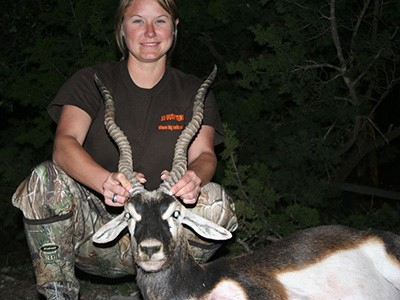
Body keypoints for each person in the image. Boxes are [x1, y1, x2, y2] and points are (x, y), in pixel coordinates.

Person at [11, 0, 237, 299]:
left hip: (166, 234)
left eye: (160, 21)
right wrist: (104, 181)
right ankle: (58, 294)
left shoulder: (194, 91)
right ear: (121, 27)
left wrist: (194, 177)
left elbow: (204, 155)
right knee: (44, 181)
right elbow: (64, 145)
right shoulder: (91, 80)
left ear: (175, 27)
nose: (149, 32)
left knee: (216, 203)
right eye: (137, 21)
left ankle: (176, 291)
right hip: (99, 233)